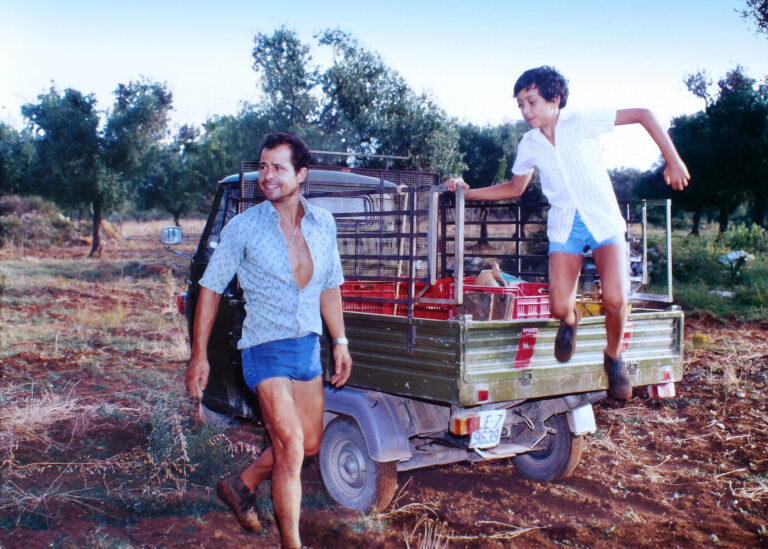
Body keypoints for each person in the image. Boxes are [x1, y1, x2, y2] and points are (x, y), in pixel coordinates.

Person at [445, 66, 689, 401]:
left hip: (602, 219)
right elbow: (515, 187)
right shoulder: (529, 144)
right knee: (559, 306)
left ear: (555, 99)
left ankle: (614, 357)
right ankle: (570, 321)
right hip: (566, 224)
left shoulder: (581, 122)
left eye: (531, 101)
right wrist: (466, 193)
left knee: (616, 300)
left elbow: (644, 115)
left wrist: (672, 160)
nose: (526, 111)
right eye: (520, 105)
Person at [185, 132, 353, 549]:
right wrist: (198, 356)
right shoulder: (243, 228)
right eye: (262, 166)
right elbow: (209, 288)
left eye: (278, 167)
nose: (267, 176)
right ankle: (291, 544)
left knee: (308, 443)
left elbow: (330, 286)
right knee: (292, 445)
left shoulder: (323, 223)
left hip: (306, 348)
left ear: (301, 174)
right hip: (263, 348)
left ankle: (241, 484)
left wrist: (341, 341)